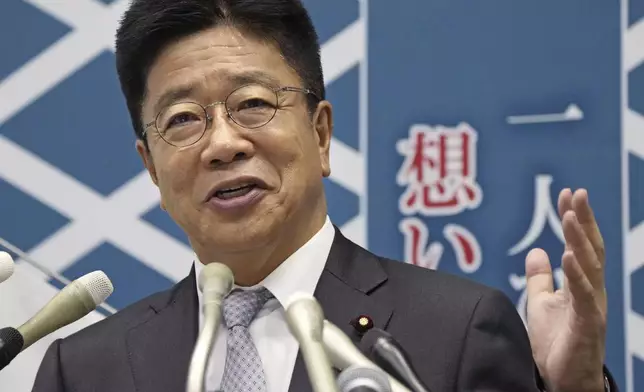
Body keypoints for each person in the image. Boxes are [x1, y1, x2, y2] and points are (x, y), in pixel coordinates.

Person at [31, 0, 614, 391]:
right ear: (152, 170)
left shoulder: (455, 330)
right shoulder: (84, 369)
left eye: (253, 104)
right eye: (183, 119)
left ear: (321, 132)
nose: (223, 144)